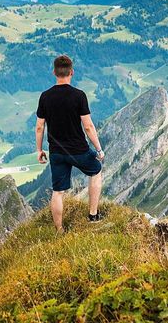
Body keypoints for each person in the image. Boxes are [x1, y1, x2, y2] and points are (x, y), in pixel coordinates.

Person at [35, 54, 104, 233]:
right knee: (96, 171)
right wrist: (98, 148)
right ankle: (93, 215)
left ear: (54, 72)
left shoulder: (45, 97)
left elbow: (39, 127)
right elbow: (88, 126)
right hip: (79, 150)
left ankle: (59, 230)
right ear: (71, 72)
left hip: (56, 152)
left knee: (58, 191)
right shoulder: (79, 96)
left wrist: (39, 150)